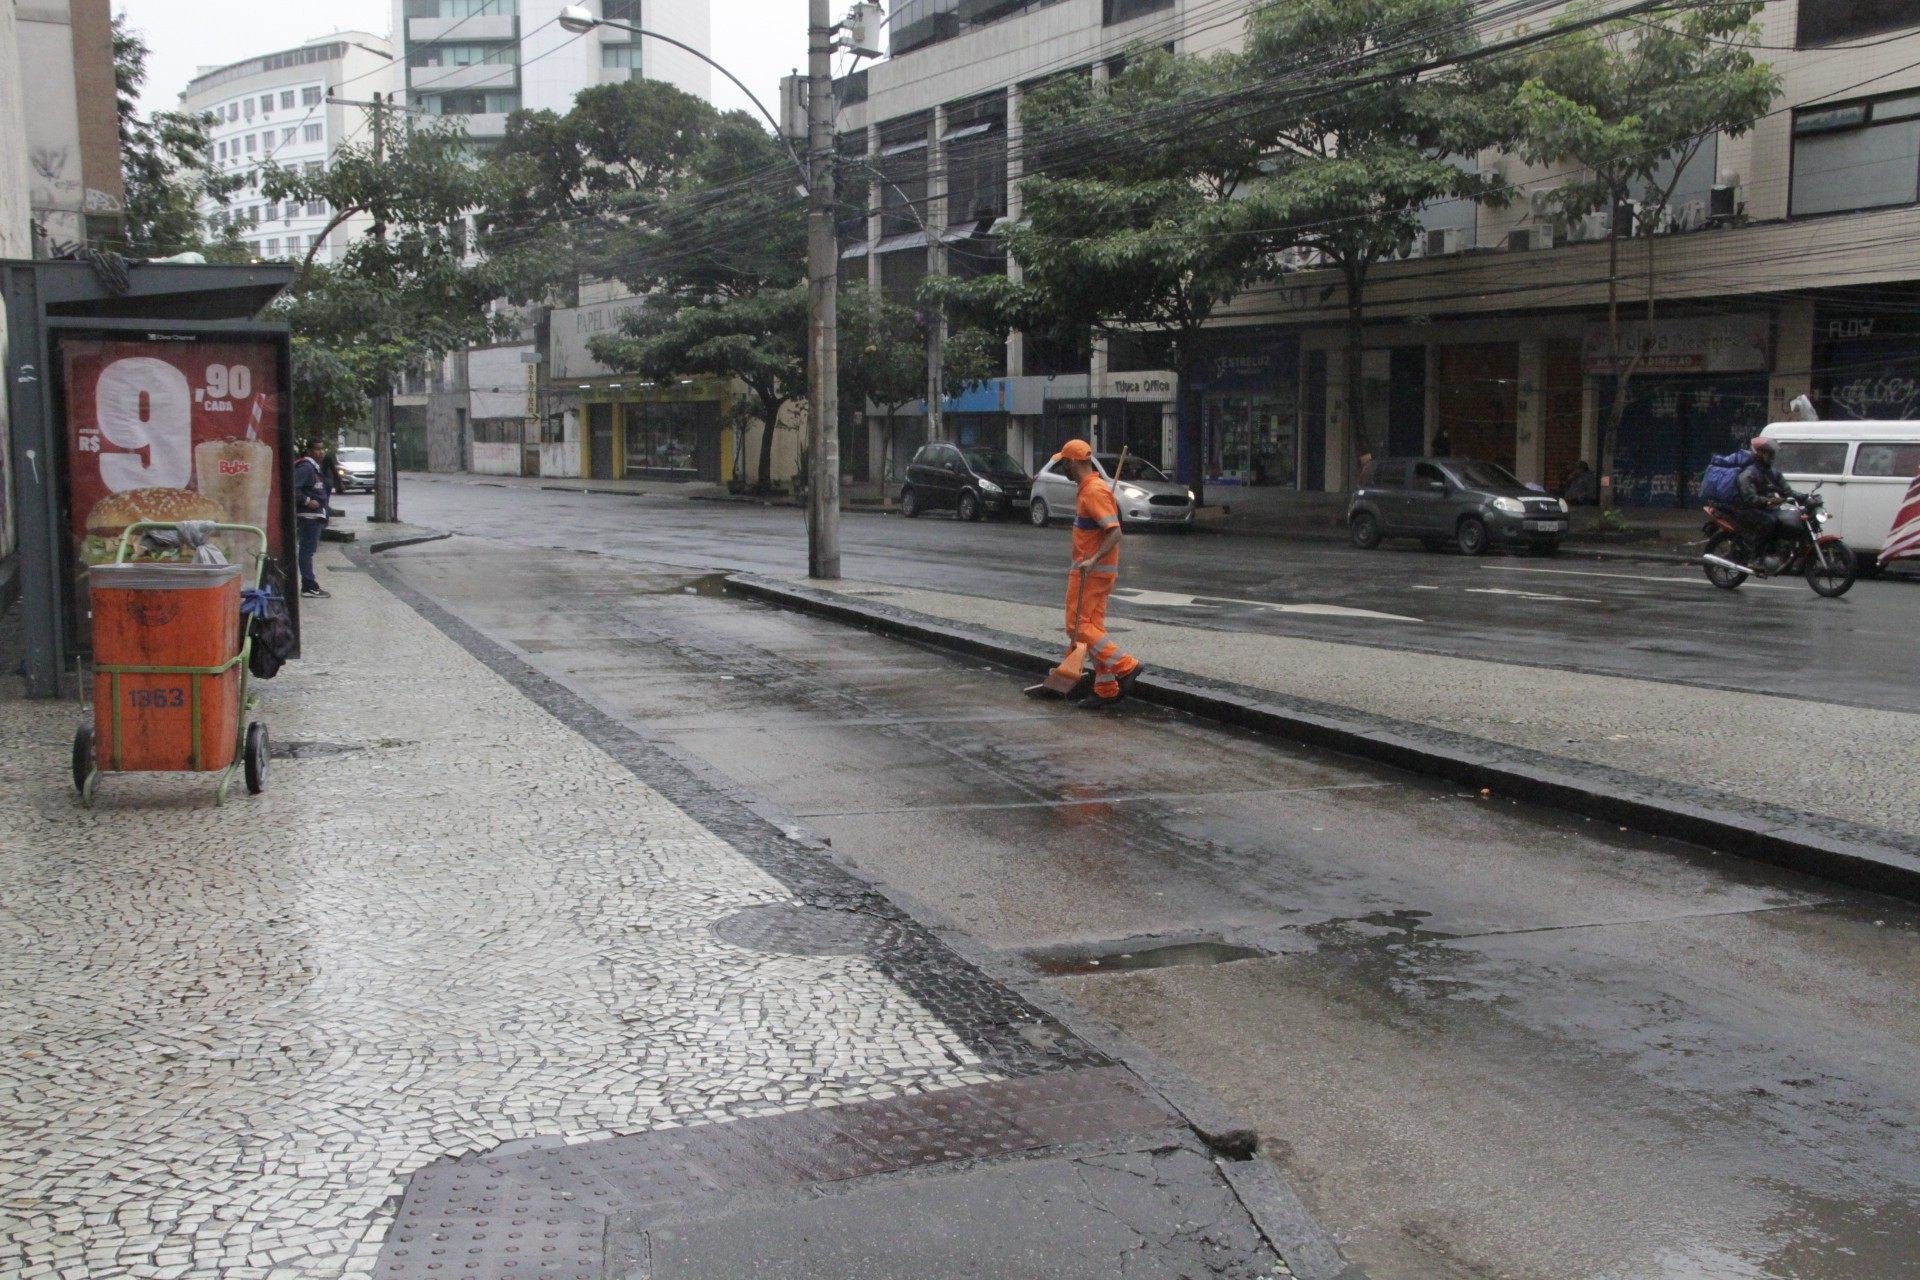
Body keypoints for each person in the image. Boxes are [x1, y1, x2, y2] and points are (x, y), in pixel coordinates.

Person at [1055, 439, 1142, 707]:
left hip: (1090, 573)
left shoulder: (1093, 492)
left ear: (1072, 463)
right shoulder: (1089, 490)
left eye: (1063, 464)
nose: (1062, 470)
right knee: (1094, 629)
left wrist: (1091, 560)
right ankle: (1105, 689)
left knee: (1077, 626)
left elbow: (1115, 531)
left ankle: (1126, 666)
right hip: (1093, 571)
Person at [1734, 435, 1796, 564]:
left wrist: (1805, 497)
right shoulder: (1748, 474)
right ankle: (1755, 555)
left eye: (1773, 454)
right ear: (1759, 454)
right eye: (1769, 454)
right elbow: (1750, 498)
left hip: (1765, 508)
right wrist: (1770, 500)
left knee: (1785, 519)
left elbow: (1787, 490)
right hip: (1747, 510)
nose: (1772, 457)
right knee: (1770, 521)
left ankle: (1776, 551)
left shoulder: (1773, 473)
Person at [294, 438, 332, 599]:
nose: (321, 452)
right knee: (306, 552)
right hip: (308, 516)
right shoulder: (306, 468)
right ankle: (308, 586)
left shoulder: (314, 468)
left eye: (323, 449)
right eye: (317, 449)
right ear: (309, 451)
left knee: (308, 551)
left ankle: (309, 584)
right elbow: (293, 489)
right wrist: (308, 501)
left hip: (315, 516)